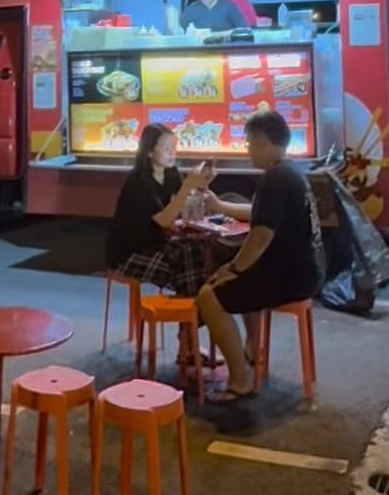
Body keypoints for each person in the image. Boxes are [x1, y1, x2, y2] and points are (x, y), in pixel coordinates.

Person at [195, 110, 325, 401]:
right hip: (307, 272)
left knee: (208, 295)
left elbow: (260, 237)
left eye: (250, 142)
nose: (248, 149)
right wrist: (221, 207)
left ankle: (239, 381)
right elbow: (259, 214)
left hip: (290, 279)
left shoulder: (274, 179)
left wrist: (233, 268)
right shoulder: (290, 172)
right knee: (242, 279)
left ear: (264, 141)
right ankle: (253, 350)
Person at [106, 123, 213, 299]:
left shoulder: (171, 174)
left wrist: (200, 188)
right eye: (166, 148)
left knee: (195, 250)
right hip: (130, 253)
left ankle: (191, 311)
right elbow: (164, 220)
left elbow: (183, 210)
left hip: (158, 242)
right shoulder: (137, 182)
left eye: (173, 147)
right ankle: (190, 311)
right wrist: (187, 187)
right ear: (149, 151)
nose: (172, 152)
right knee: (185, 268)